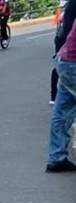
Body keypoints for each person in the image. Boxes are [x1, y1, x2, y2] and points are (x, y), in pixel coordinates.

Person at [47, 0, 76, 172]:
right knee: (63, 111)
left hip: (65, 59)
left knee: (62, 110)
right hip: (73, 63)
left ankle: (57, 157)